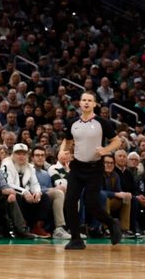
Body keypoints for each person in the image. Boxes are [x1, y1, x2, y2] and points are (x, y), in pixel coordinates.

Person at [57, 91, 123, 250]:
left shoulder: (102, 122)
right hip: (77, 168)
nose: (86, 103)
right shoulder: (73, 122)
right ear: (79, 103)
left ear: (94, 104)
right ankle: (75, 239)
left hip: (95, 169)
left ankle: (111, 222)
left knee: (91, 202)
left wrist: (106, 150)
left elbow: (117, 141)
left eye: (89, 100)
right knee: (70, 201)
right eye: (84, 100)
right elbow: (67, 141)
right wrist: (61, 152)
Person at [2, 143, 51, 238]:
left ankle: (37, 227)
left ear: (27, 156)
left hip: (26, 198)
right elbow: (7, 184)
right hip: (12, 196)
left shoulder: (30, 167)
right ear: (13, 155)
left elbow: (35, 184)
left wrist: (37, 193)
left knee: (45, 197)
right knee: (16, 196)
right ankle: (21, 227)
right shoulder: (6, 165)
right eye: (18, 154)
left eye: (24, 154)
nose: (21, 156)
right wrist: (24, 192)